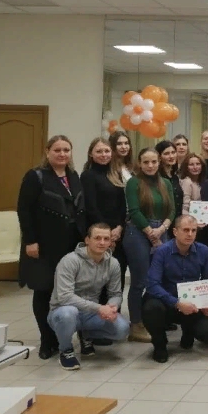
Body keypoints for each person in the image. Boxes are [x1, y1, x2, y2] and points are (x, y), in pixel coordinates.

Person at [17, 135, 87, 360]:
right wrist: (30, 241)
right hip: (43, 245)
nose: (62, 154)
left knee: (69, 292)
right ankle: (47, 341)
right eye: (57, 150)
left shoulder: (73, 176)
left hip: (71, 245)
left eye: (66, 150)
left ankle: (65, 336)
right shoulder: (35, 176)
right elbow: (24, 210)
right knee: (44, 291)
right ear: (47, 152)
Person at [47, 224, 130, 370]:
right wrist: (99, 308)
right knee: (69, 313)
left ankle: (86, 334)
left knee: (122, 328)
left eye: (106, 239)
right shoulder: (70, 261)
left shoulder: (113, 263)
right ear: (87, 240)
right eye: (97, 238)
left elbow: (115, 294)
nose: (102, 242)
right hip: (62, 311)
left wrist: (112, 307)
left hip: (90, 314)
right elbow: (65, 297)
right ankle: (66, 350)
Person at [143, 215, 208, 363]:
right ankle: (160, 344)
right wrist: (176, 303)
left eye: (193, 230)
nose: (190, 234)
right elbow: (152, 284)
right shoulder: (162, 251)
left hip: (192, 303)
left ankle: (188, 332)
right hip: (166, 301)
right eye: (185, 230)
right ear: (175, 232)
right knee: (151, 308)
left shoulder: (204, 251)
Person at [123, 147, 175, 343]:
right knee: (140, 281)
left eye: (154, 161)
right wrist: (150, 232)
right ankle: (136, 325)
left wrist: (162, 229)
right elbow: (134, 211)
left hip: (162, 230)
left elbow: (172, 210)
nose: (150, 165)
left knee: (161, 278)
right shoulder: (133, 183)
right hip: (138, 231)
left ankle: (156, 319)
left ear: (159, 162)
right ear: (140, 163)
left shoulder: (166, 183)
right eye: (146, 162)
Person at [81, 138, 128, 335]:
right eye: (99, 151)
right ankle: (95, 327)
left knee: (117, 280)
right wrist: (106, 235)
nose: (104, 155)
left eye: (107, 151)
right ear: (91, 154)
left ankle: (112, 321)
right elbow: (91, 207)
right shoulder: (88, 176)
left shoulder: (116, 173)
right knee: (98, 282)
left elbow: (122, 205)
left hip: (118, 233)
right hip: (99, 235)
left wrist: (119, 228)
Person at [156, 140, 184, 219]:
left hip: (177, 219)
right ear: (159, 157)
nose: (171, 156)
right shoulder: (157, 177)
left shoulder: (175, 177)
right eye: (166, 154)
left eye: (173, 152)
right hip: (162, 220)